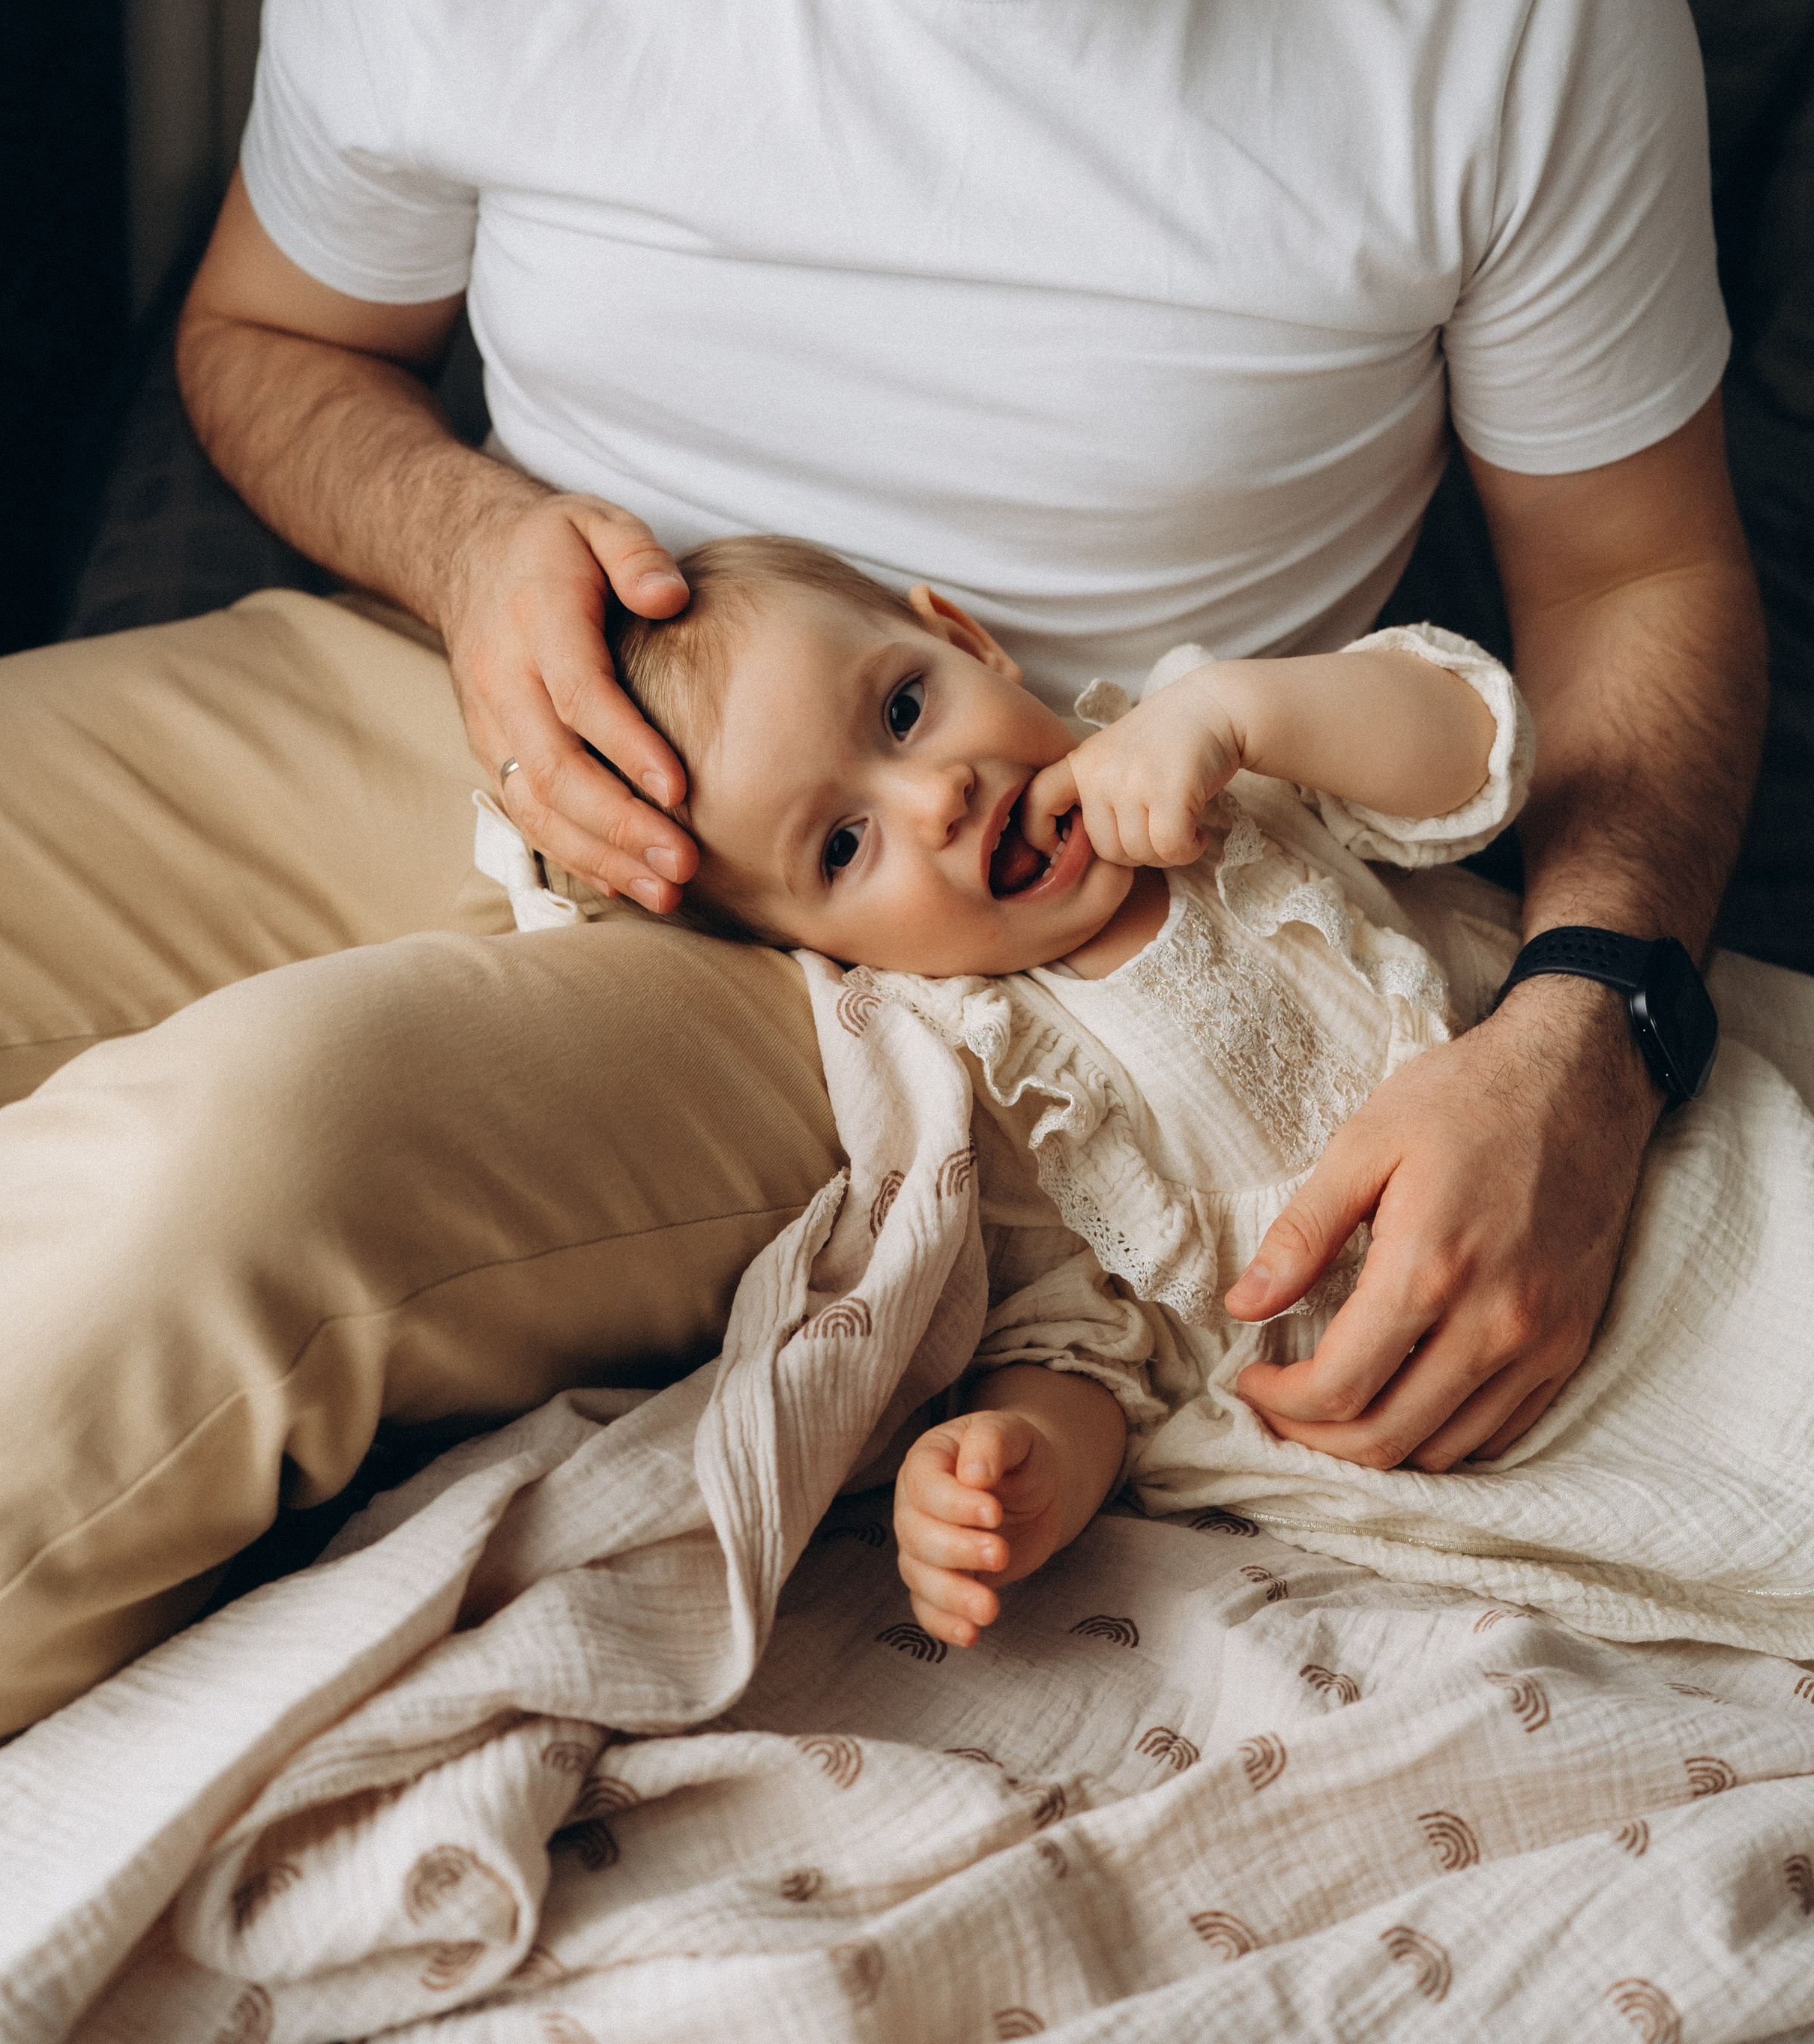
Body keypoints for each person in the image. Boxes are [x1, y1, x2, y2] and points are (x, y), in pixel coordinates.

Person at [0, 0, 1763, 1803]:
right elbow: (269, 345)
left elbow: (1641, 572)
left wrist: (1595, 1021)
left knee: (215, 1184)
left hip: (938, 969)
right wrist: (470, 541)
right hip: (464, 693)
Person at [608, 534, 1814, 1662]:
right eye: (841, 847)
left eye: (904, 710)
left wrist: (1243, 713)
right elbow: (1090, 1351)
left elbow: (1473, 750)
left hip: (1637, 1183)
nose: (937, 798)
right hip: (1463, 1433)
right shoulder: (982, 1074)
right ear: (813, 950)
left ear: (966, 640)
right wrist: (1020, 1464)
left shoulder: (1212, 754)